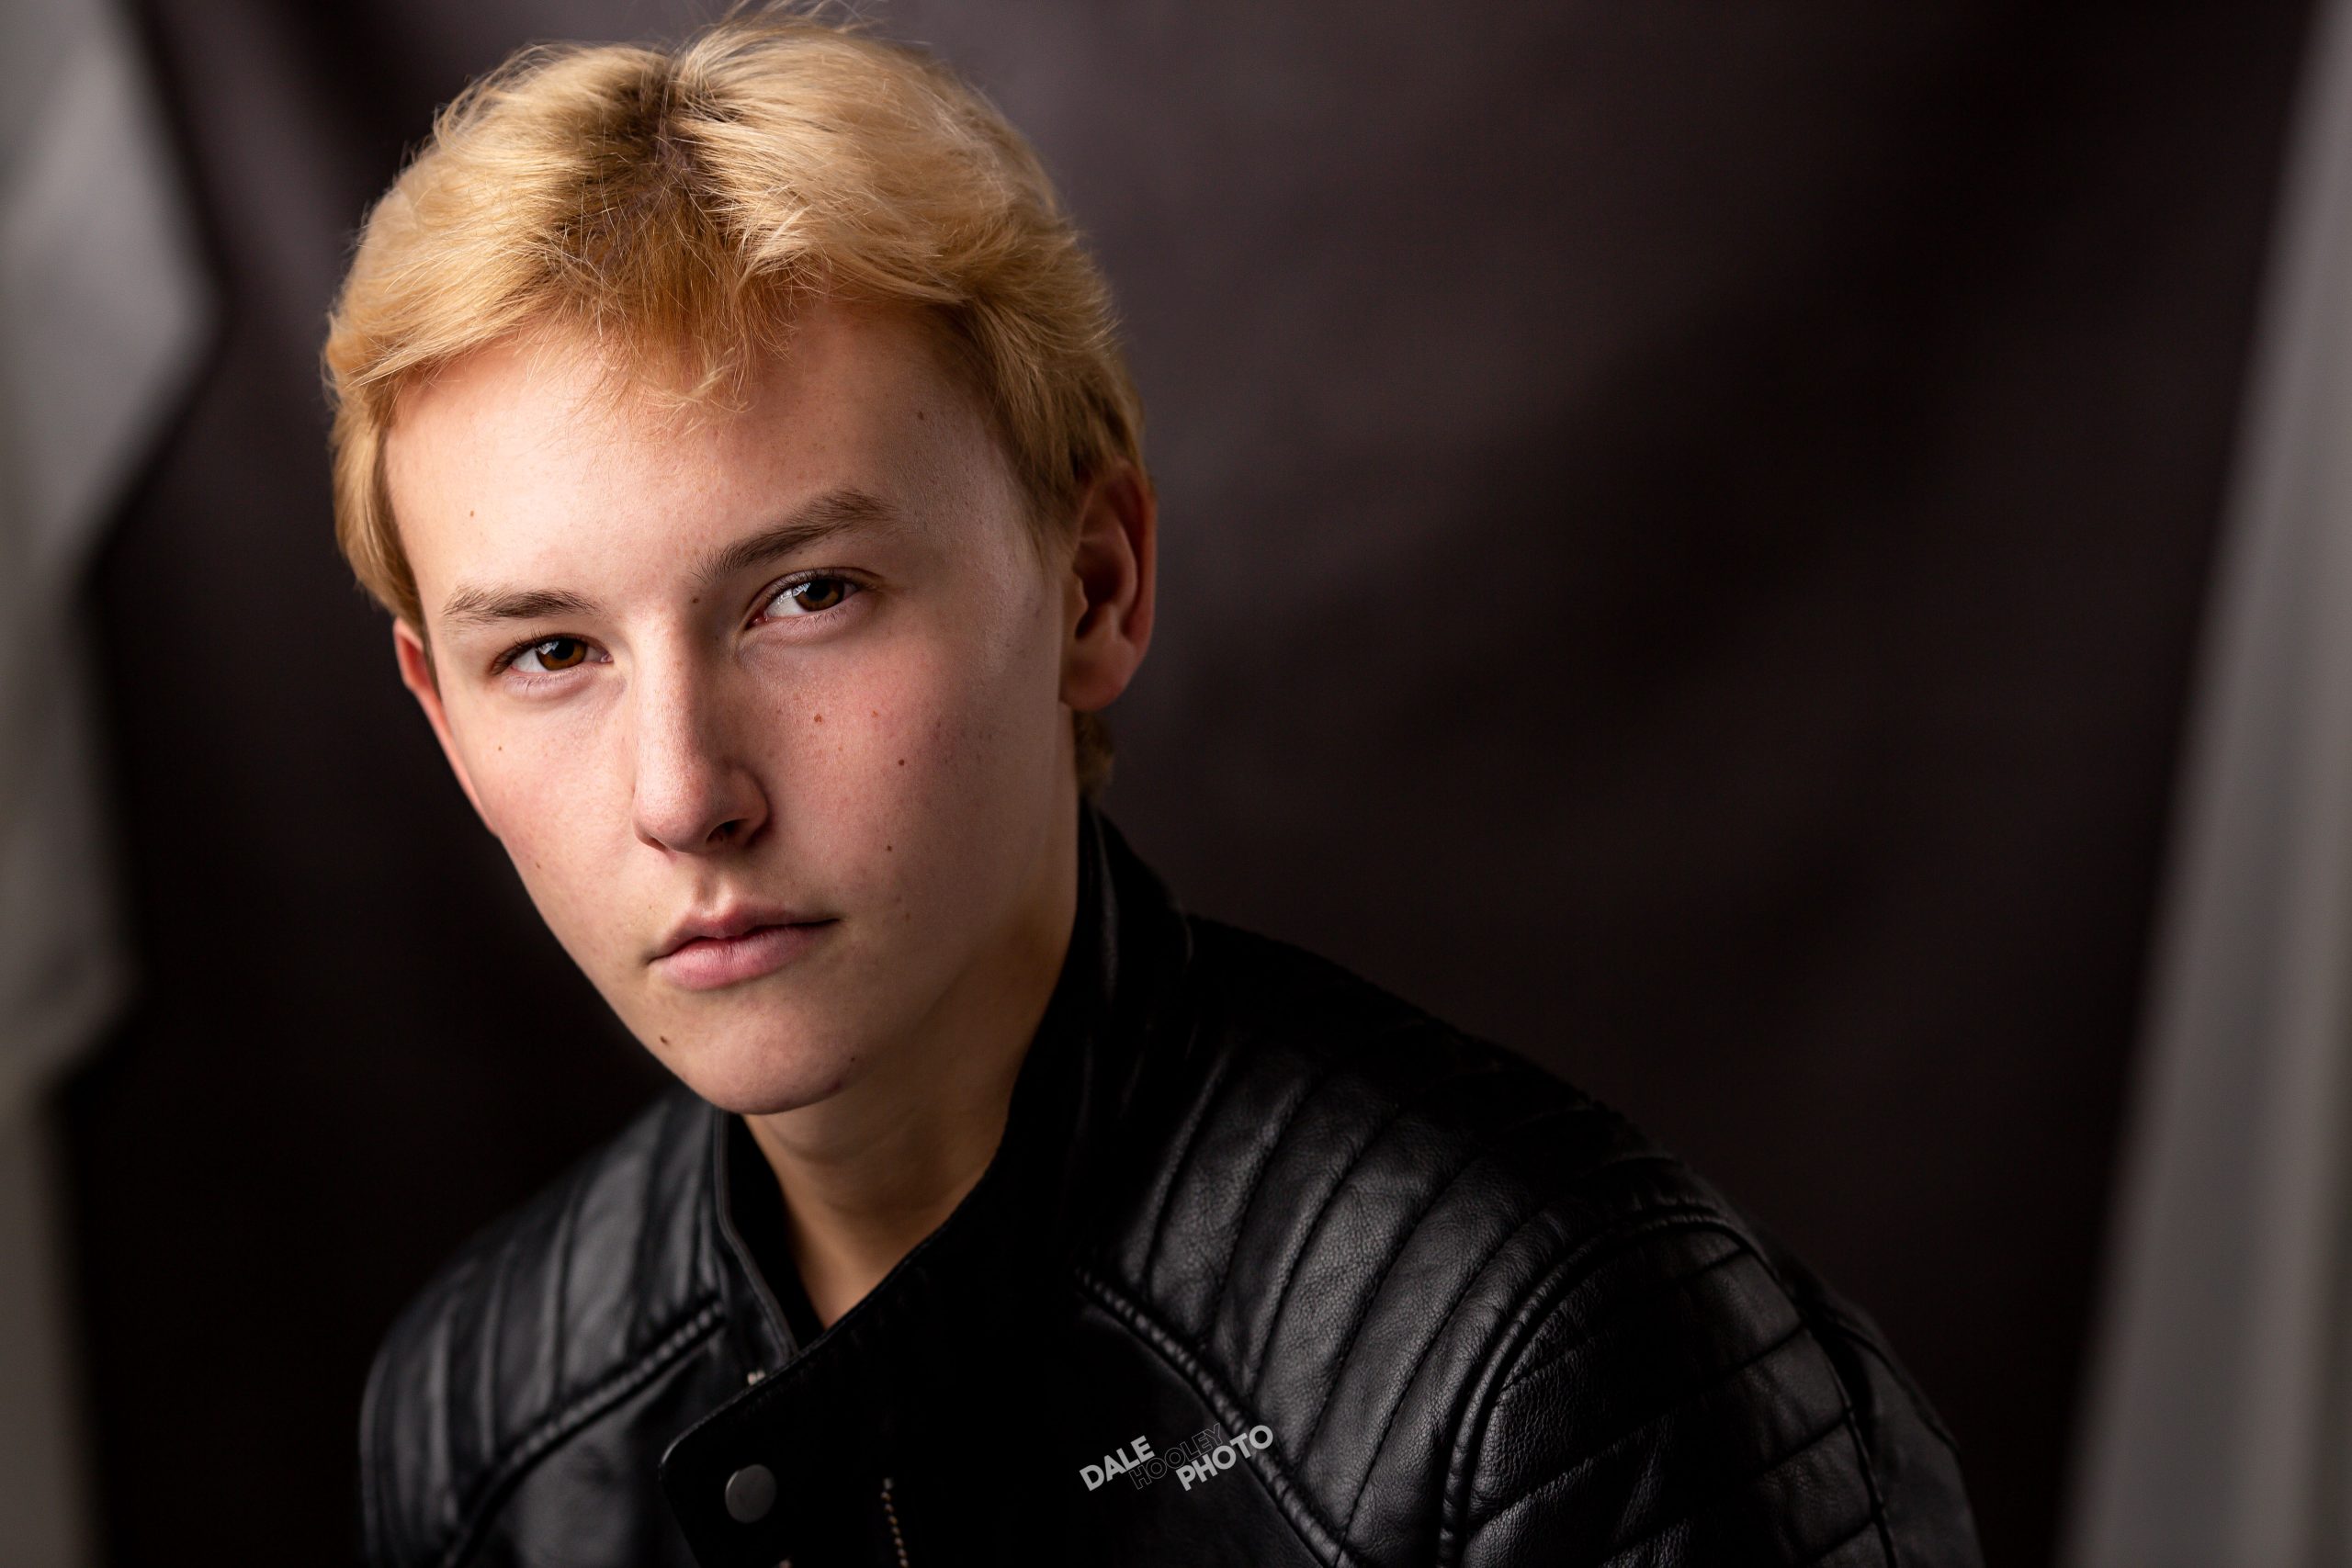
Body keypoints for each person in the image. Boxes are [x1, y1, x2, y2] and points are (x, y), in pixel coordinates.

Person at [330, 10, 1984, 1566]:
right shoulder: (480, 1413)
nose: (684, 794)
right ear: (442, 717)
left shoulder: (1551, 1371)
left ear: (1095, 587)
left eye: (808, 595)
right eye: (550, 653)